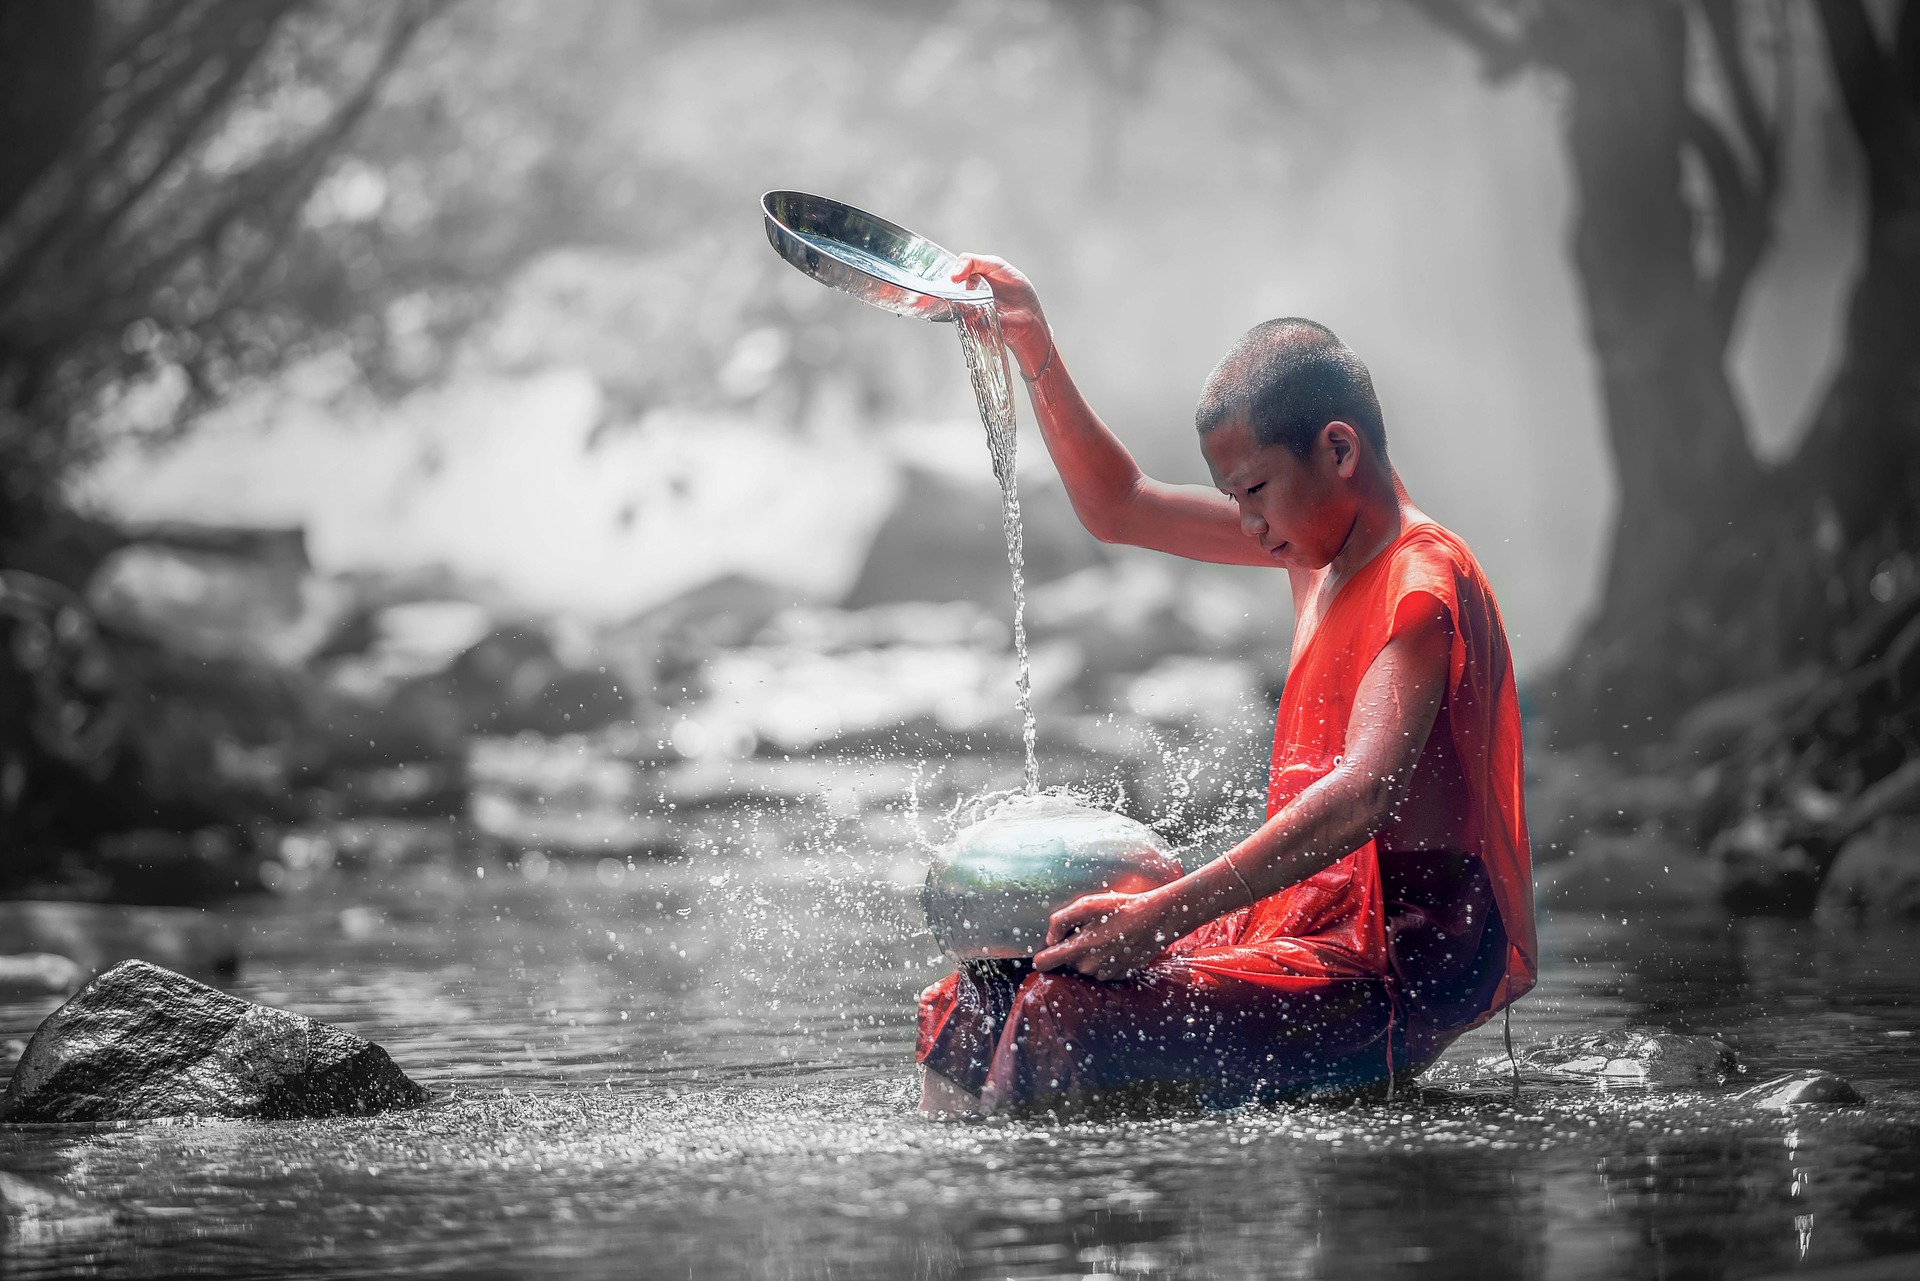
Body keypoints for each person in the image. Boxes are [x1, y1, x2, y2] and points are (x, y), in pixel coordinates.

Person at [916, 256, 1536, 1117]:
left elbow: (1362, 796)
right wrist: (1033, 344)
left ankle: (1058, 1230)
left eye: (1253, 492)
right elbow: (1121, 506)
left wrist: (1162, 915)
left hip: (1390, 968)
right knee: (975, 995)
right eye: (1231, 497)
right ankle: (966, 1216)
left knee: (1060, 1010)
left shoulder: (1418, 581)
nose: (1247, 526)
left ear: (1339, 450)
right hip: (1298, 926)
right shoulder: (1314, 542)